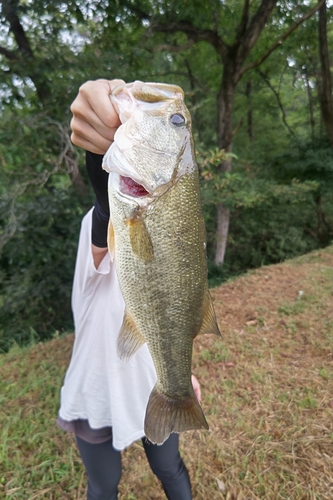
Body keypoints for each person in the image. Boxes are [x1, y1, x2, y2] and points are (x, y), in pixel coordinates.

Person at [57, 79, 202, 500]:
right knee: (103, 486)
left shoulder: (167, 228)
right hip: (95, 390)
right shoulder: (99, 230)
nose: (172, 118)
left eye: (177, 121)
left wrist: (183, 374)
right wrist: (99, 160)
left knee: (169, 468)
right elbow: (107, 218)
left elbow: (176, 308)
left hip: (151, 384)